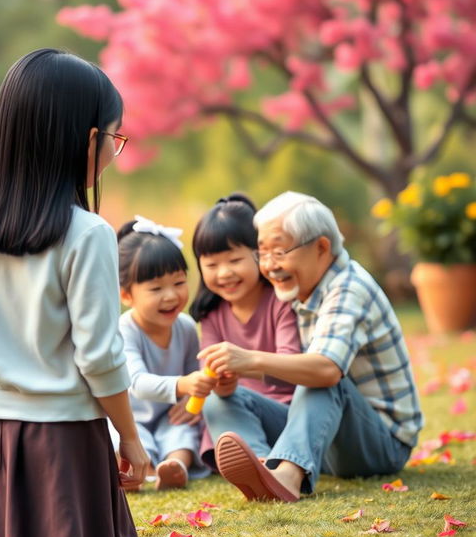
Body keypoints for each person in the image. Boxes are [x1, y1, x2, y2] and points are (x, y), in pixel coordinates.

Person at [0, 48, 150, 537]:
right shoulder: (87, 234)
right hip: (63, 441)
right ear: (85, 139)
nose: (112, 153)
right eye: (113, 139)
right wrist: (130, 436)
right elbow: (99, 358)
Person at [198, 191, 424, 502]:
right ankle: (266, 468)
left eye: (279, 252)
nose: (269, 266)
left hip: (382, 445)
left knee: (322, 373)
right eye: (262, 253)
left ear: (321, 247)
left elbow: (326, 371)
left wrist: (250, 359)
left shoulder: (348, 288)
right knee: (220, 400)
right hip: (327, 437)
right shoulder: (301, 290)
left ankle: (287, 476)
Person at [188, 194, 300, 472]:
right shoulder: (212, 314)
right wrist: (219, 381)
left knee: (224, 404)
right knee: (218, 401)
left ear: (259, 255)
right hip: (237, 417)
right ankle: (257, 462)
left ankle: (263, 464)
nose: (224, 273)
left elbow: (291, 362)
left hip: (285, 417)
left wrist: (244, 365)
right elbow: (209, 366)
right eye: (212, 265)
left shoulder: (280, 302)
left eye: (234, 260)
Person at [108, 216, 214, 491]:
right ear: (126, 295)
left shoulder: (187, 328)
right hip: (130, 419)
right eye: (156, 288)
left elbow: (195, 372)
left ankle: (174, 467)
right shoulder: (124, 329)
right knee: (117, 435)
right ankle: (142, 470)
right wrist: (183, 384)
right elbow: (137, 383)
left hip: (170, 416)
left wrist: (194, 396)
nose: (171, 296)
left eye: (179, 283)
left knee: (184, 431)